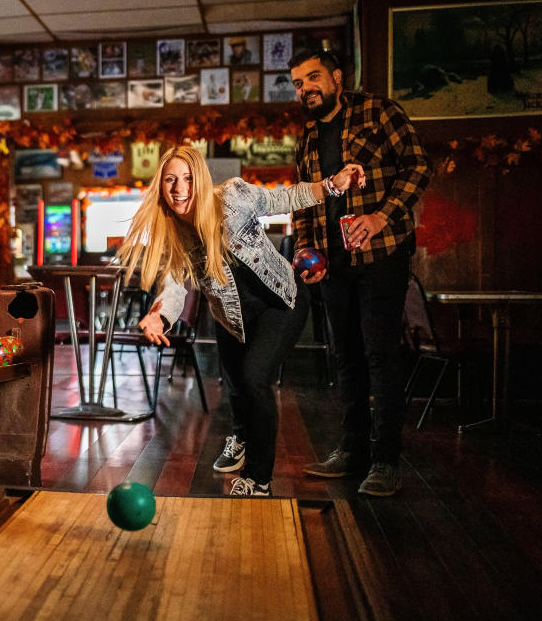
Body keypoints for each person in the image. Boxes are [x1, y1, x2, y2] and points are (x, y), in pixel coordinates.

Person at [119, 145, 364, 497]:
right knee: (236, 386)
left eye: (187, 178)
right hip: (231, 317)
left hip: (281, 301)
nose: (179, 188)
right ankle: (242, 435)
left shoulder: (233, 196)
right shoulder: (174, 234)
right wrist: (159, 314)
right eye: (170, 180)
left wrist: (332, 185)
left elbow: (284, 198)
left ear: (199, 180)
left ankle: (259, 479)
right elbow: (173, 284)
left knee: (254, 379)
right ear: (161, 187)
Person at [288, 49, 431, 497]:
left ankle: (386, 459)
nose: (305, 89)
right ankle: (352, 450)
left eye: (312, 78)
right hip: (332, 264)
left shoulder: (378, 111)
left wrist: (381, 217)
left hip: (382, 256)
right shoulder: (308, 137)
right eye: (297, 83)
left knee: (379, 354)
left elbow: (418, 166)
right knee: (346, 357)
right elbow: (304, 199)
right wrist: (306, 250)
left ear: (335, 77)